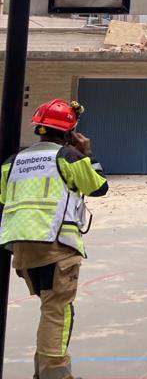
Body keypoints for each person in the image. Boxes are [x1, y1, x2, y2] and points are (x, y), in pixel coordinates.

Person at [0, 99, 109, 379]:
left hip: (21, 247)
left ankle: (44, 371)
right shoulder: (68, 157)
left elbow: (4, 199)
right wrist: (87, 153)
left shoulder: (13, 161)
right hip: (55, 246)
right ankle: (55, 374)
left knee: (49, 307)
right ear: (69, 132)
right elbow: (98, 187)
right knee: (58, 310)